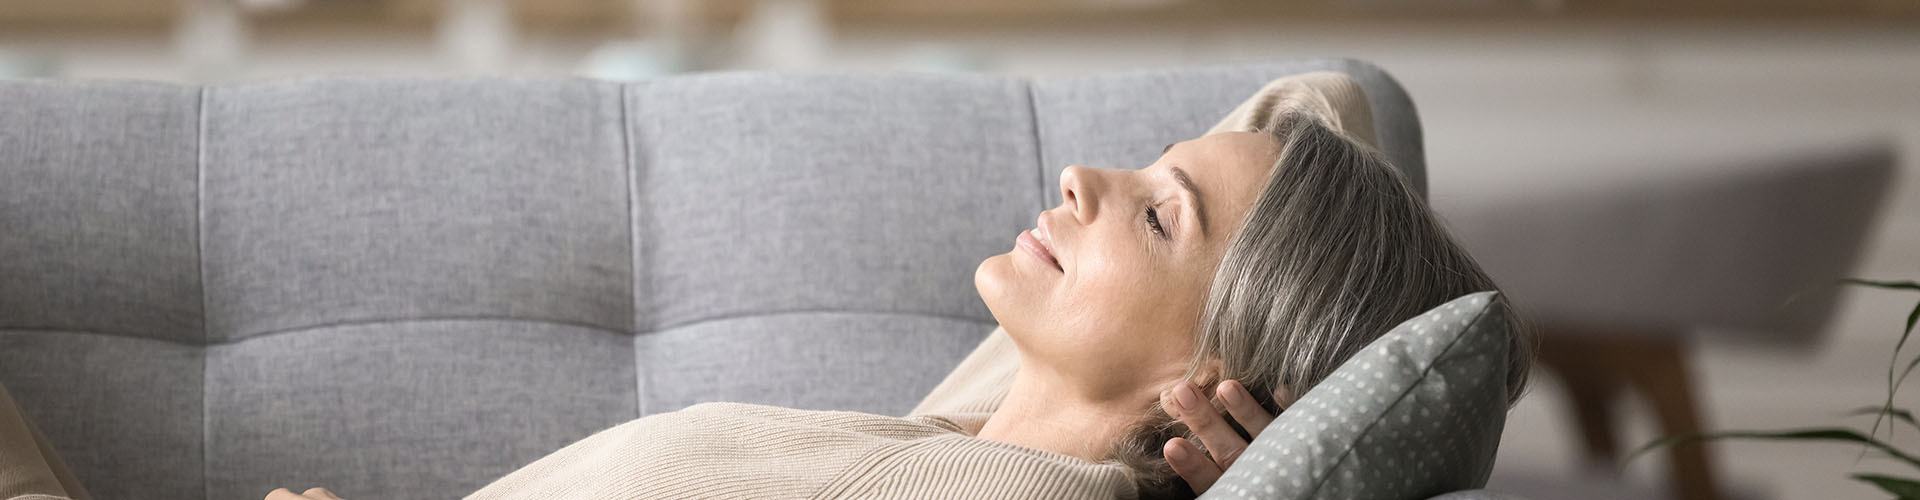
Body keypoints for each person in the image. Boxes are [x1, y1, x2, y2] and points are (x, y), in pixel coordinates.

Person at [1, 72, 1531, 500]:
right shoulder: (993, 431)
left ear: (1220, 362)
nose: (1082, 180)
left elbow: (1420, 352)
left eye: (1156, 214)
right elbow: (1320, 101)